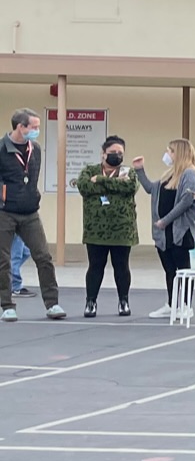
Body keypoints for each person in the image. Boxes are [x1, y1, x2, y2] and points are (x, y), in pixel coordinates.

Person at [0, 108, 62, 321]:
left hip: (30, 213)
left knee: (43, 257)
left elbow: (32, 176)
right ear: (20, 127)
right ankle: (7, 305)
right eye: (34, 127)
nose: (37, 131)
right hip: (4, 212)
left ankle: (52, 303)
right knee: (3, 260)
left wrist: (33, 196)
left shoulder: (34, 148)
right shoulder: (1, 148)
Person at [76, 134, 140, 318]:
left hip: (122, 229)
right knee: (96, 266)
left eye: (120, 153)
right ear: (103, 153)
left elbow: (130, 188)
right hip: (96, 230)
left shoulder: (128, 172)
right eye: (113, 152)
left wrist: (101, 181)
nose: (117, 155)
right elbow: (84, 187)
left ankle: (124, 301)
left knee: (122, 266)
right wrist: (114, 184)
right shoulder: (89, 170)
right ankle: (90, 302)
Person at [146, 138, 195, 316]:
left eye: (170, 151)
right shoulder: (169, 174)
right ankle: (172, 304)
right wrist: (139, 170)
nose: (167, 155)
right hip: (165, 233)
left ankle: (186, 306)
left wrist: (166, 220)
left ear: (178, 153)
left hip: (181, 231)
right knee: (169, 269)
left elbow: (186, 201)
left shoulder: (190, 174)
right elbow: (151, 189)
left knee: (183, 269)